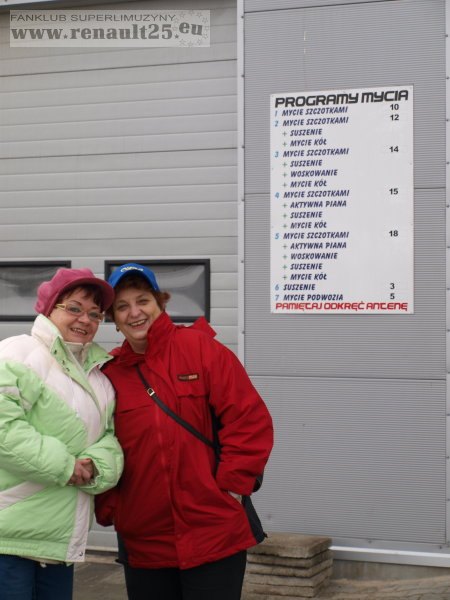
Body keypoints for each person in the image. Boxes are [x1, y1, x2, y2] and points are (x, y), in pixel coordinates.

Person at [95, 262, 274, 600]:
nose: (135, 313)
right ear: (114, 319)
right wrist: (113, 507)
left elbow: (248, 420)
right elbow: (99, 443)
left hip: (212, 532)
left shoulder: (201, 349)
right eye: (122, 306)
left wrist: (231, 487)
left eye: (143, 301)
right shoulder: (110, 376)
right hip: (145, 541)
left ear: (160, 303)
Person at [0, 267, 124, 600]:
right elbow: (3, 429)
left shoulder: (98, 377)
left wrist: (97, 467)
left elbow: (110, 439)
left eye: (95, 314)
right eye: (74, 308)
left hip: (59, 541)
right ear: (48, 308)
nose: (86, 319)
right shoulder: (17, 353)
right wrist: (66, 467)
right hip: (8, 538)